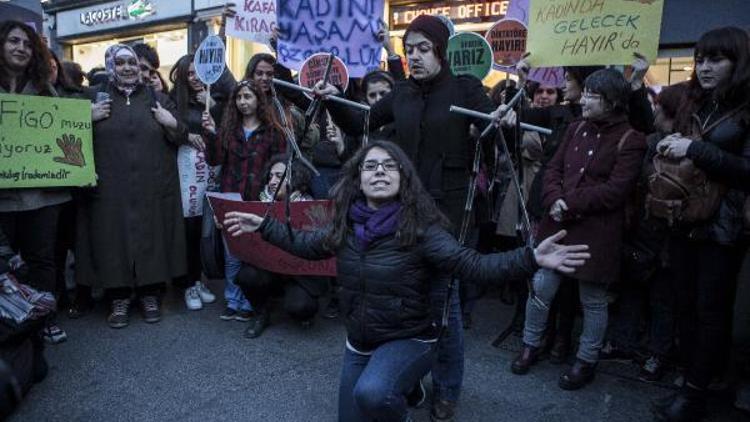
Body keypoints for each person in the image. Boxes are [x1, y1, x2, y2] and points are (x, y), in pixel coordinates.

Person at [222, 140, 590, 422]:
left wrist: (531, 257)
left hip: (411, 336)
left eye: (389, 166)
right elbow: (307, 245)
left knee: (373, 393)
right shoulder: (345, 223)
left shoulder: (422, 228)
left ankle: (401, 399)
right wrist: (265, 226)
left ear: (402, 177)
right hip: (361, 340)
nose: (380, 171)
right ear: (358, 178)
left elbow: (472, 265)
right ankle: (408, 388)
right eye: (371, 166)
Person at [315, 15, 507, 419]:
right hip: (404, 214)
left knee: (444, 305)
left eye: (423, 49)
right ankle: (406, 375)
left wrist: (498, 120)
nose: (415, 57)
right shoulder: (400, 93)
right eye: (409, 50)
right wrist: (330, 98)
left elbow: (493, 129)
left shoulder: (467, 88)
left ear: (440, 50)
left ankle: (447, 387)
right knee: (411, 300)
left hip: (450, 218)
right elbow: (363, 121)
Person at [510, 69, 647, 390]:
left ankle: (586, 361)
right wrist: (554, 199)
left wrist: (569, 202)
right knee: (541, 286)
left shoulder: (631, 139)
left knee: (594, 300)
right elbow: (553, 169)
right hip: (557, 224)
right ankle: (531, 345)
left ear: (612, 102)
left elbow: (617, 189)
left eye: (592, 96)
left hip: (597, 231)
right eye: (584, 93)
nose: (583, 99)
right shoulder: (574, 129)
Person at [649, 27, 750, 422]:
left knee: (711, 310)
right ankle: (693, 378)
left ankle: (695, 394)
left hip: (723, 226)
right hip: (683, 215)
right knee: (685, 304)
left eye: (717, 59)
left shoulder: (745, 108)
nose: (706, 68)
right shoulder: (697, 101)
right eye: (702, 59)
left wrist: (695, 148)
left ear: (737, 62)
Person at [75, 44, 188, 329]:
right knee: (112, 241)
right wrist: (84, 119)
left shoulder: (157, 98)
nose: (127, 68)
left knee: (151, 238)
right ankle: (119, 298)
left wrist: (169, 120)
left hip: (152, 185)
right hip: (110, 187)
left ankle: (151, 295)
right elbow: (66, 137)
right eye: (121, 62)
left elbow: (181, 136)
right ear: (111, 66)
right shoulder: (92, 98)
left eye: (133, 63)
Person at [601, 83, 688, 382]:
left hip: (669, 231)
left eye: (661, 107)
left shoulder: (688, 147)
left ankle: (657, 353)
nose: (655, 112)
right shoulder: (650, 141)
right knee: (631, 288)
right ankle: (624, 342)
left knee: (662, 297)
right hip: (640, 226)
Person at [0, 21, 71, 345]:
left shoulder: (44, 88)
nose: (20, 48)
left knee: (42, 260)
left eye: (27, 45)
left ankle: (44, 319)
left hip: (42, 195)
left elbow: (60, 130)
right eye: (13, 41)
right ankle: (11, 318)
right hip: (3, 196)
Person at [201, 80, 286, 323]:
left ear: (259, 99)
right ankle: (232, 300)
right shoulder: (229, 129)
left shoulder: (273, 131)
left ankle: (250, 301)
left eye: (248, 97)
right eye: (239, 97)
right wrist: (210, 133)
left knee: (255, 253)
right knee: (232, 254)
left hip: (259, 200)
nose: (243, 102)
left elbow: (279, 164)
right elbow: (215, 159)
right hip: (231, 197)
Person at [234, 154, 327, 337]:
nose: (272, 181)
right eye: (270, 176)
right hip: (268, 267)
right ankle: (261, 313)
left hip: (299, 273)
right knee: (247, 275)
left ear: (296, 177)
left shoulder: (311, 206)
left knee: (300, 306)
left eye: (279, 176)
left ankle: (303, 313)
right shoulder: (259, 204)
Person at [169, 54, 221, 310]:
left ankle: (200, 280)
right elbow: (167, 131)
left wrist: (213, 105)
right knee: (189, 229)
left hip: (211, 170)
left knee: (206, 229)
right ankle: (189, 284)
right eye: (189, 74)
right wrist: (186, 135)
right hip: (186, 172)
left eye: (198, 72)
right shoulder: (174, 101)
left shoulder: (214, 100)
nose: (195, 78)